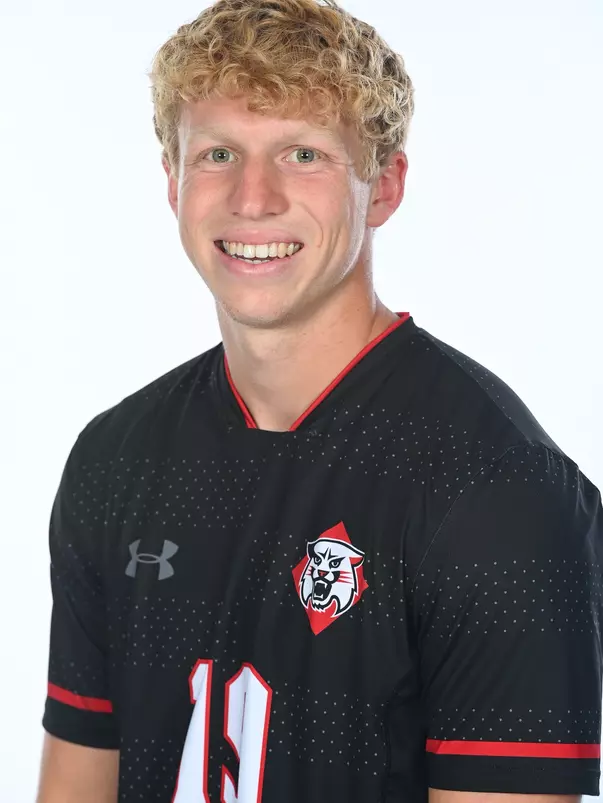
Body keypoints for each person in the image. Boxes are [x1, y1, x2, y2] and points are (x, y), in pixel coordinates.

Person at [36, 0, 602, 801]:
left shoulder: (500, 489)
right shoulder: (114, 457)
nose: (252, 197)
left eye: (303, 154)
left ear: (384, 187)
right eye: (218, 154)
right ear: (171, 182)